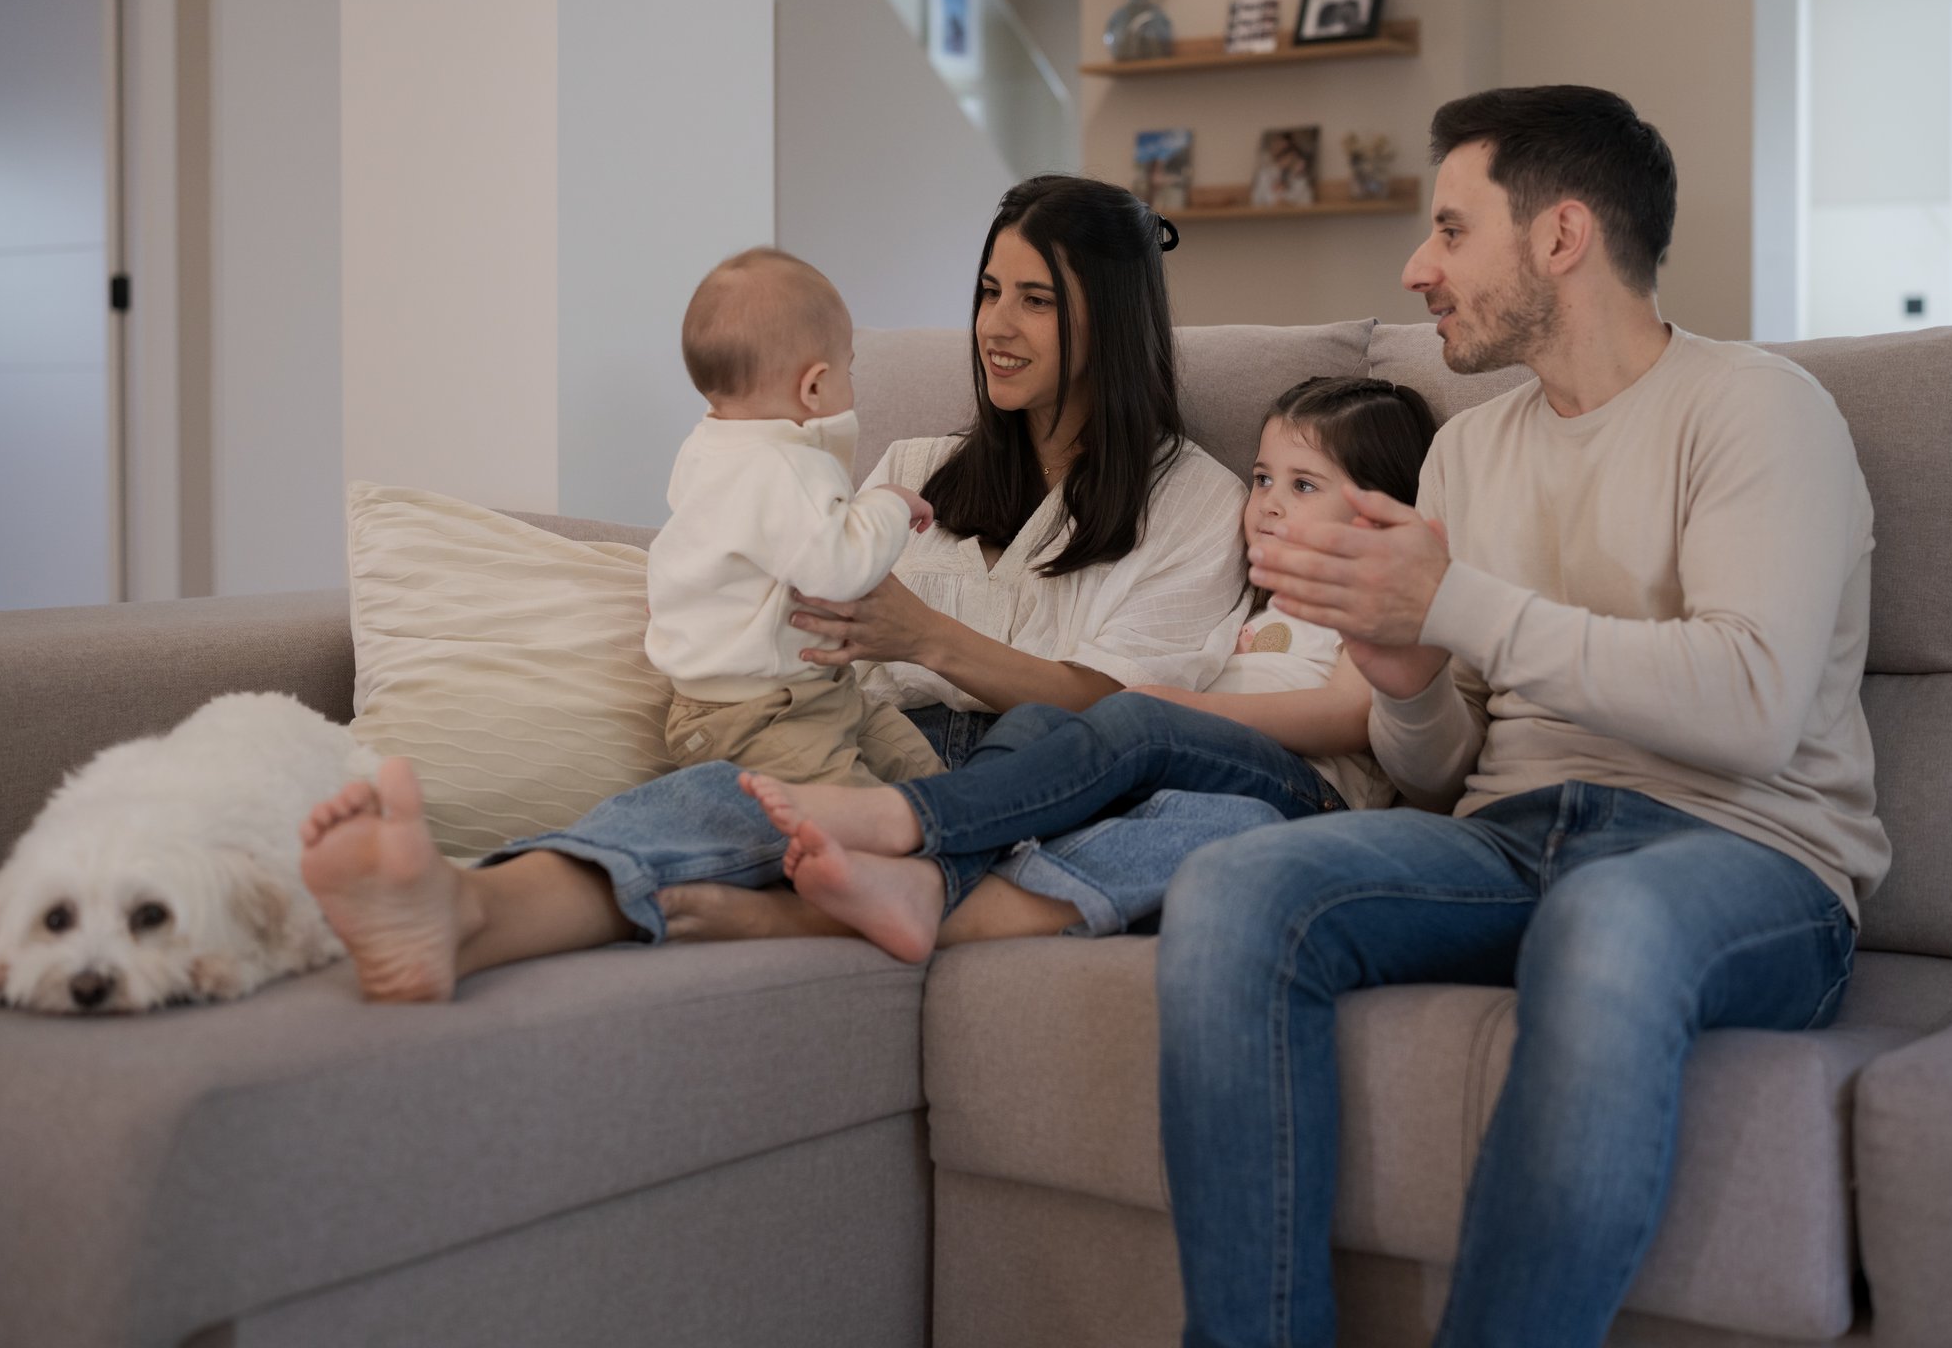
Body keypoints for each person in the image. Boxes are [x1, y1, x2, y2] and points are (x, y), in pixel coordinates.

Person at [1156, 85, 1890, 1348]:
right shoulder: (1468, 453)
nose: (1416, 268)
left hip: (1748, 855)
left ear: (1560, 237)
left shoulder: (1758, 410)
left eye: (1450, 230)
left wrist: (1461, 604)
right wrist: (1405, 672)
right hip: (1512, 837)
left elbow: (1755, 707)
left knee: (1610, 916)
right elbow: (1443, 771)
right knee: (1229, 893)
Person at [298, 175, 1251, 1000]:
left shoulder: (1199, 504)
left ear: (1112, 321)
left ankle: (833, 913)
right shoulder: (915, 466)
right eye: (990, 291)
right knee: (727, 794)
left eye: (1036, 300)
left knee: (1216, 822)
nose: (994, 326)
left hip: (1037, 774)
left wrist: (925, 638)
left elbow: (1128, 716)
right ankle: (470, 907)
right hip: (869, 734)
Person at [740, 375, 1437, 963]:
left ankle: (913, 832)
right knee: (1067, 740)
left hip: (1311, 795)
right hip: (1212, 790)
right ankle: (939, 892)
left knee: (1138, 725)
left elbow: (1351, 716)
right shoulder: (1251, 604)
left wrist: (1173, 710)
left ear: (1378, 515)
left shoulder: (1374, 605)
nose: (1268, 503)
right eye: (1262, 479)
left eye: (1304, 485)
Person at [643, 248, 939, 789]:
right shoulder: (786, 466)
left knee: (919, 771)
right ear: (814, 387)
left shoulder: (708, 445)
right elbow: (841, 568)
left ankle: (943, 826)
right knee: (856, 812)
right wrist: (890, 503)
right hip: (755, 715)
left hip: (815, 691)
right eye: (848, 372)